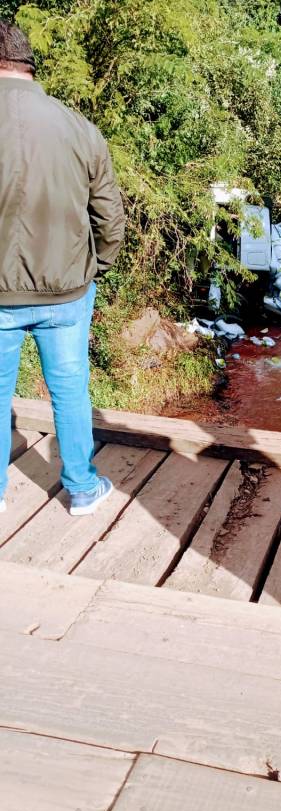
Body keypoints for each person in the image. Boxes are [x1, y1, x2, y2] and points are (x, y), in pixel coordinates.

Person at [0, 20, 125, 516]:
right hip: (68, 290)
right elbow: (109, 216)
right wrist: (101, 264)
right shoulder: (79, 128)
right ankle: (80, 488)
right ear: (30, 65)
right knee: (71, 387)